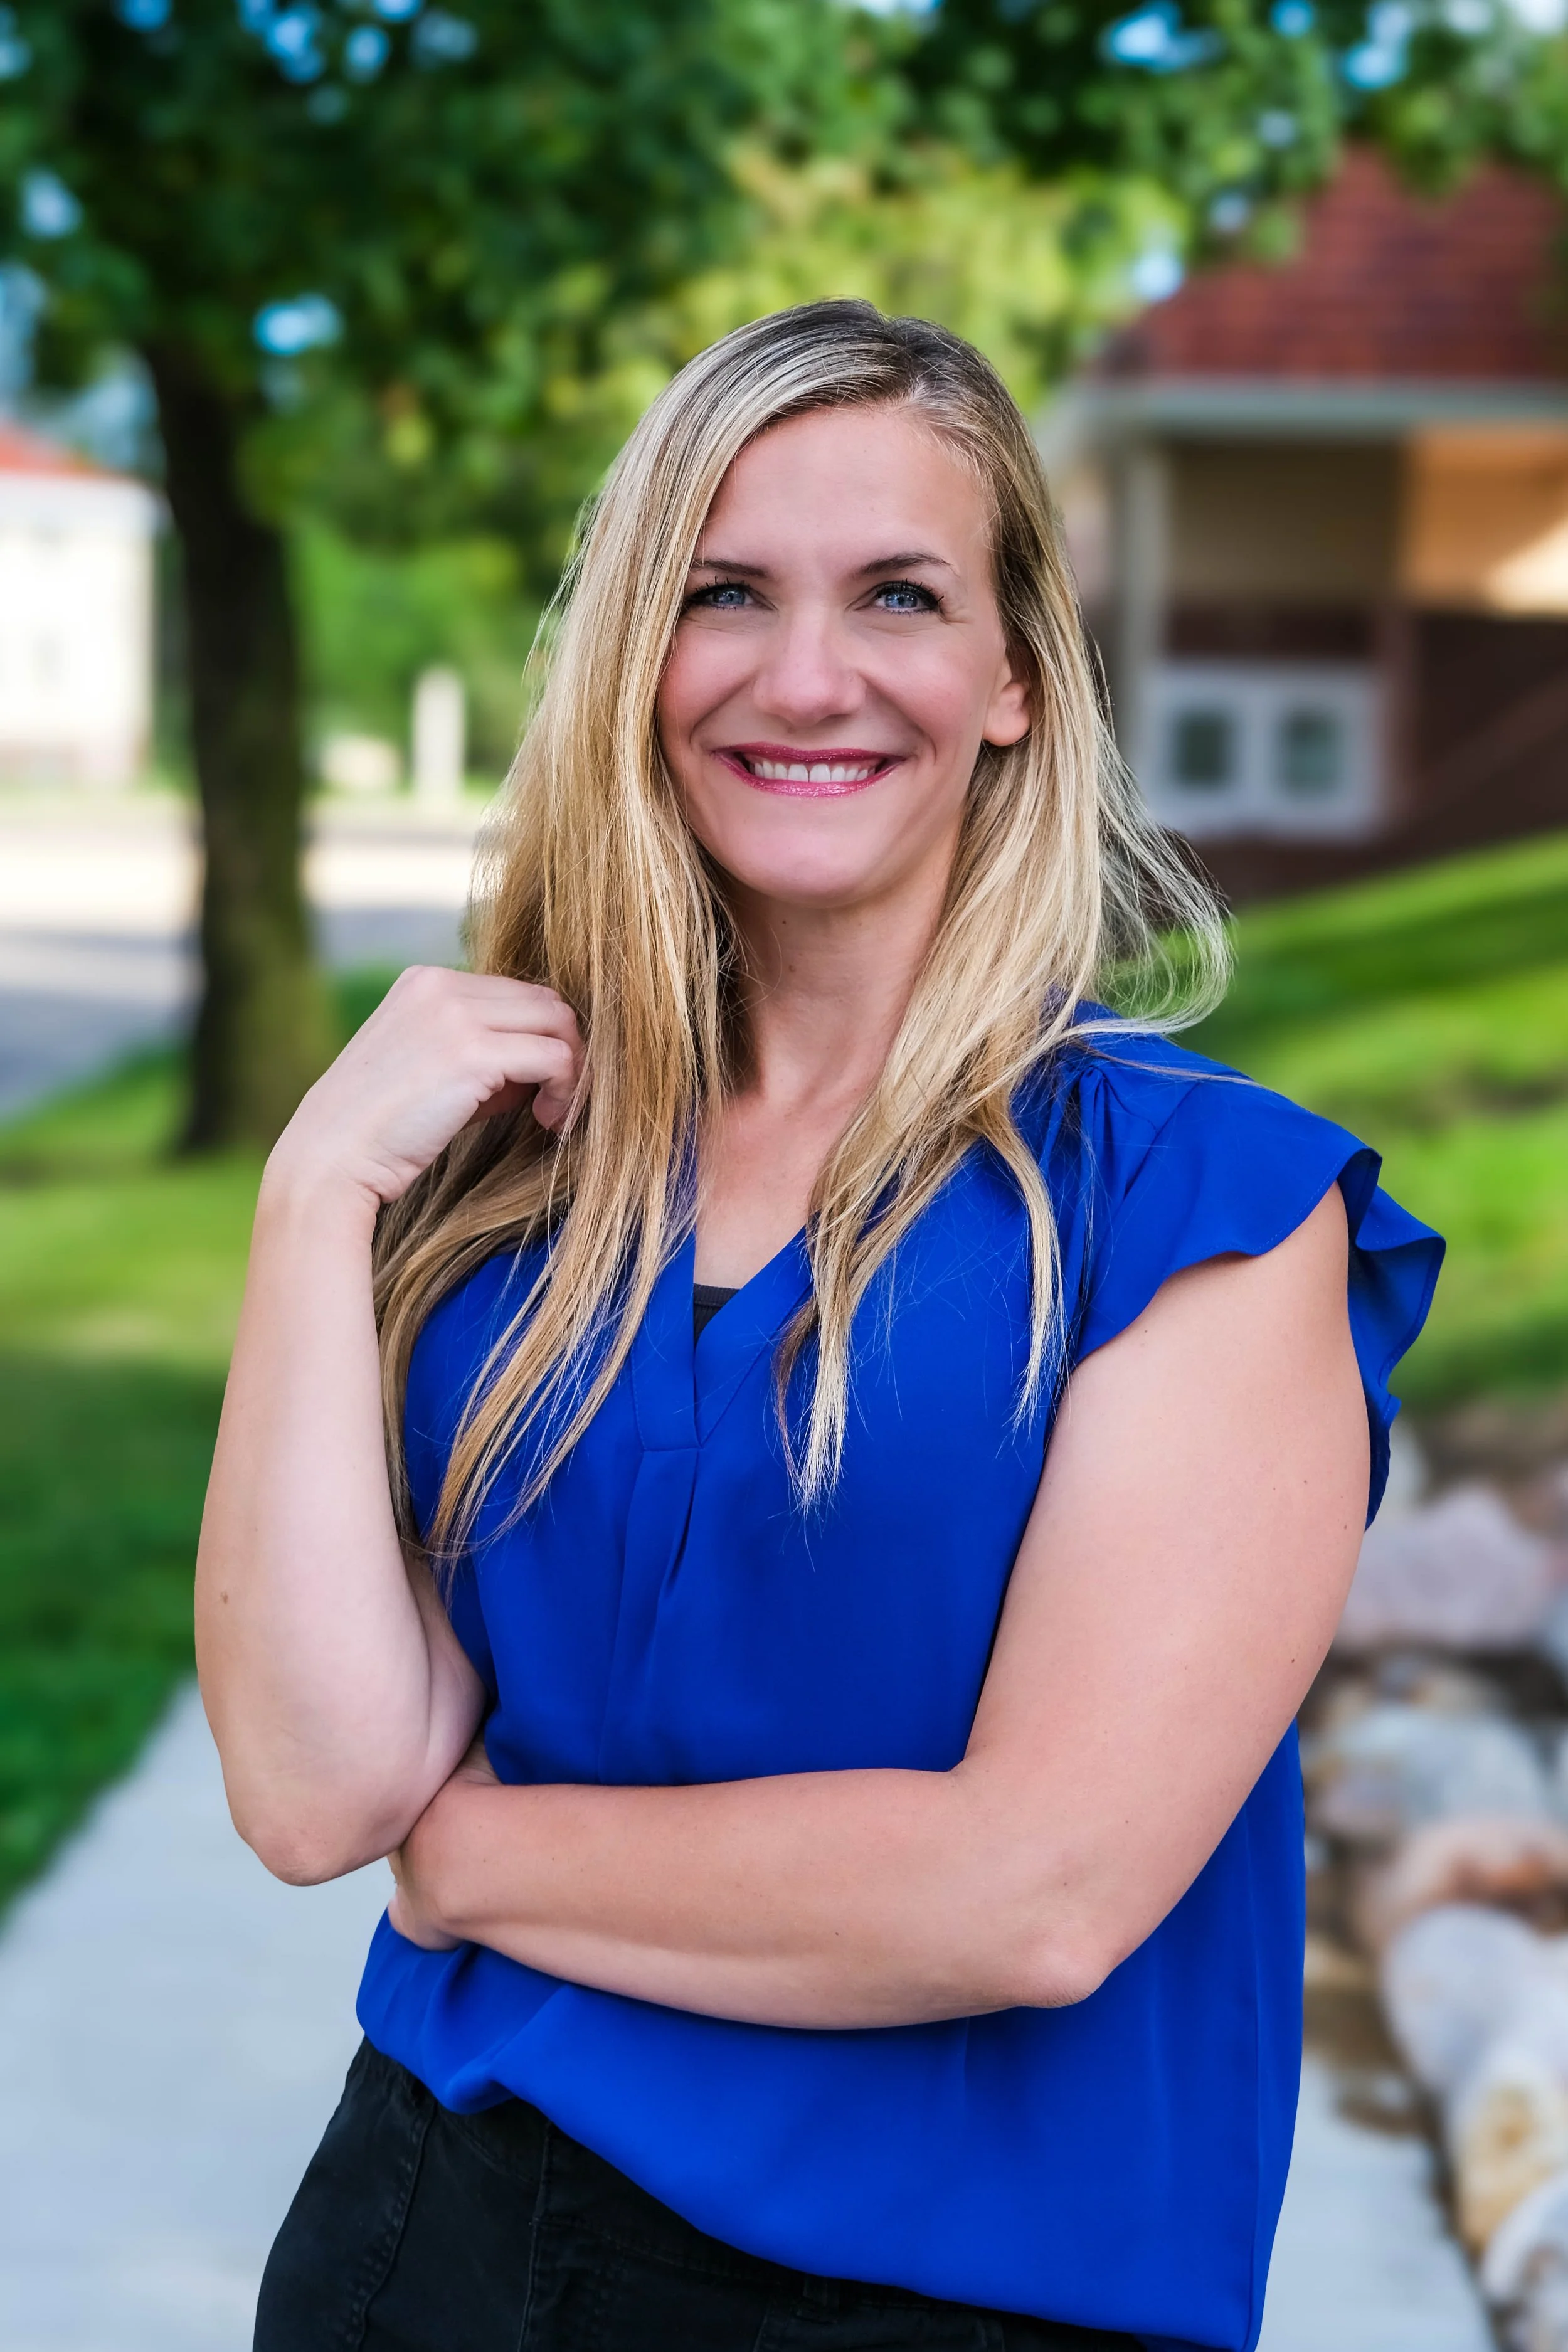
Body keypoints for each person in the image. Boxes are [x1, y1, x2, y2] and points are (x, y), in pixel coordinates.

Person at [198, 302, 1443, 2352]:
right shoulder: (518, 1164)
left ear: (1014, 674)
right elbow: (320, 1790)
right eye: (722, 594)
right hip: (426, 2238)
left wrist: (482, 1861)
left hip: (936, 2301)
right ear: (635, 658)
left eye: (895, 594)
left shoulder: (1189, 1209)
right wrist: (312, 1195)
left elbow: (1031, 1891)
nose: (805, 675)